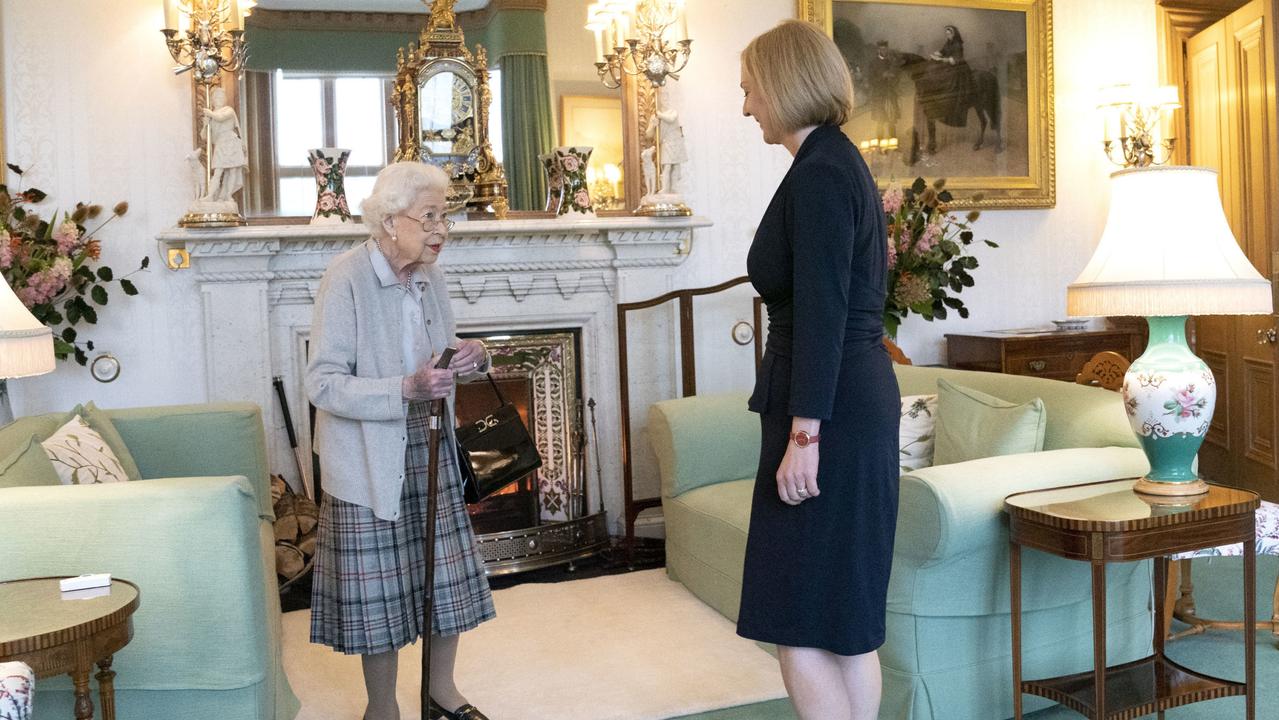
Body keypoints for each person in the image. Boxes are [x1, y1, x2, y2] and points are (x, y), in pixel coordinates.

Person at [738, 20, 900, 720]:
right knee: (836, 614)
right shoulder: (833, 162)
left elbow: (825, 312)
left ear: (781, 85)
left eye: (749, 90)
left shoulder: (822, 172)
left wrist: (805, 434)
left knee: (799, 617)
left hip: (826, 412)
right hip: (839, 402)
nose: (746, 107)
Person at [307, 161, 494, 720]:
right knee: (381, 595)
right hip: (368, 458)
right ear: (391, 221)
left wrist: (469, 353)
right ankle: (382, 708)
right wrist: (405, 388)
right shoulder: (346, 278)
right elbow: (322, 383)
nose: (441, 230)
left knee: (447, 579)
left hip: (431, 441)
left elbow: (438, 353)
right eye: (430, 217)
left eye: (446, 218)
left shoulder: (429, 276)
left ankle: (442, 694)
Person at [201, 86, 247, 203]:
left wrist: (210, 114)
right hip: (220, 144)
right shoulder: (210, 115)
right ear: (213, 99)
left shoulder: (228, 110)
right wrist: (205, 125)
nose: (219, 99)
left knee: (232, 170)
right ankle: (211, 195)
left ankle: (227, 195)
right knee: (218, 171)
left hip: (231, 142)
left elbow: (221, 118)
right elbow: (204, 136)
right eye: (217, 97)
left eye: (221, 97)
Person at [928, 24, 975, 127]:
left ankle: (951, 99)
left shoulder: (957, 44)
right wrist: (935, 54)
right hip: (949, 64)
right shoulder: (948, 42)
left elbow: (955, 60)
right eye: (946, 34)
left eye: (949, 34)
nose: (947, 35)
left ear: (953, 34)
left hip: (958, 67)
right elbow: (943, 51)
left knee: (951, 79)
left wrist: (941, 59)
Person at [868, 40, 902, 139]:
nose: (884, 51)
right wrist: (882, 76)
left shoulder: (891, 62)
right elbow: (871, 80)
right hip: (879, 95)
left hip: (890, 95)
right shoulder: (873, 63)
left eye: (885, 49)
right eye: (882, 49)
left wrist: (893, 77)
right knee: (880, 121)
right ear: (878, 50)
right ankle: (880, 145)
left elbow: (897, 77)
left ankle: (893, 143)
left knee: (892, 121)